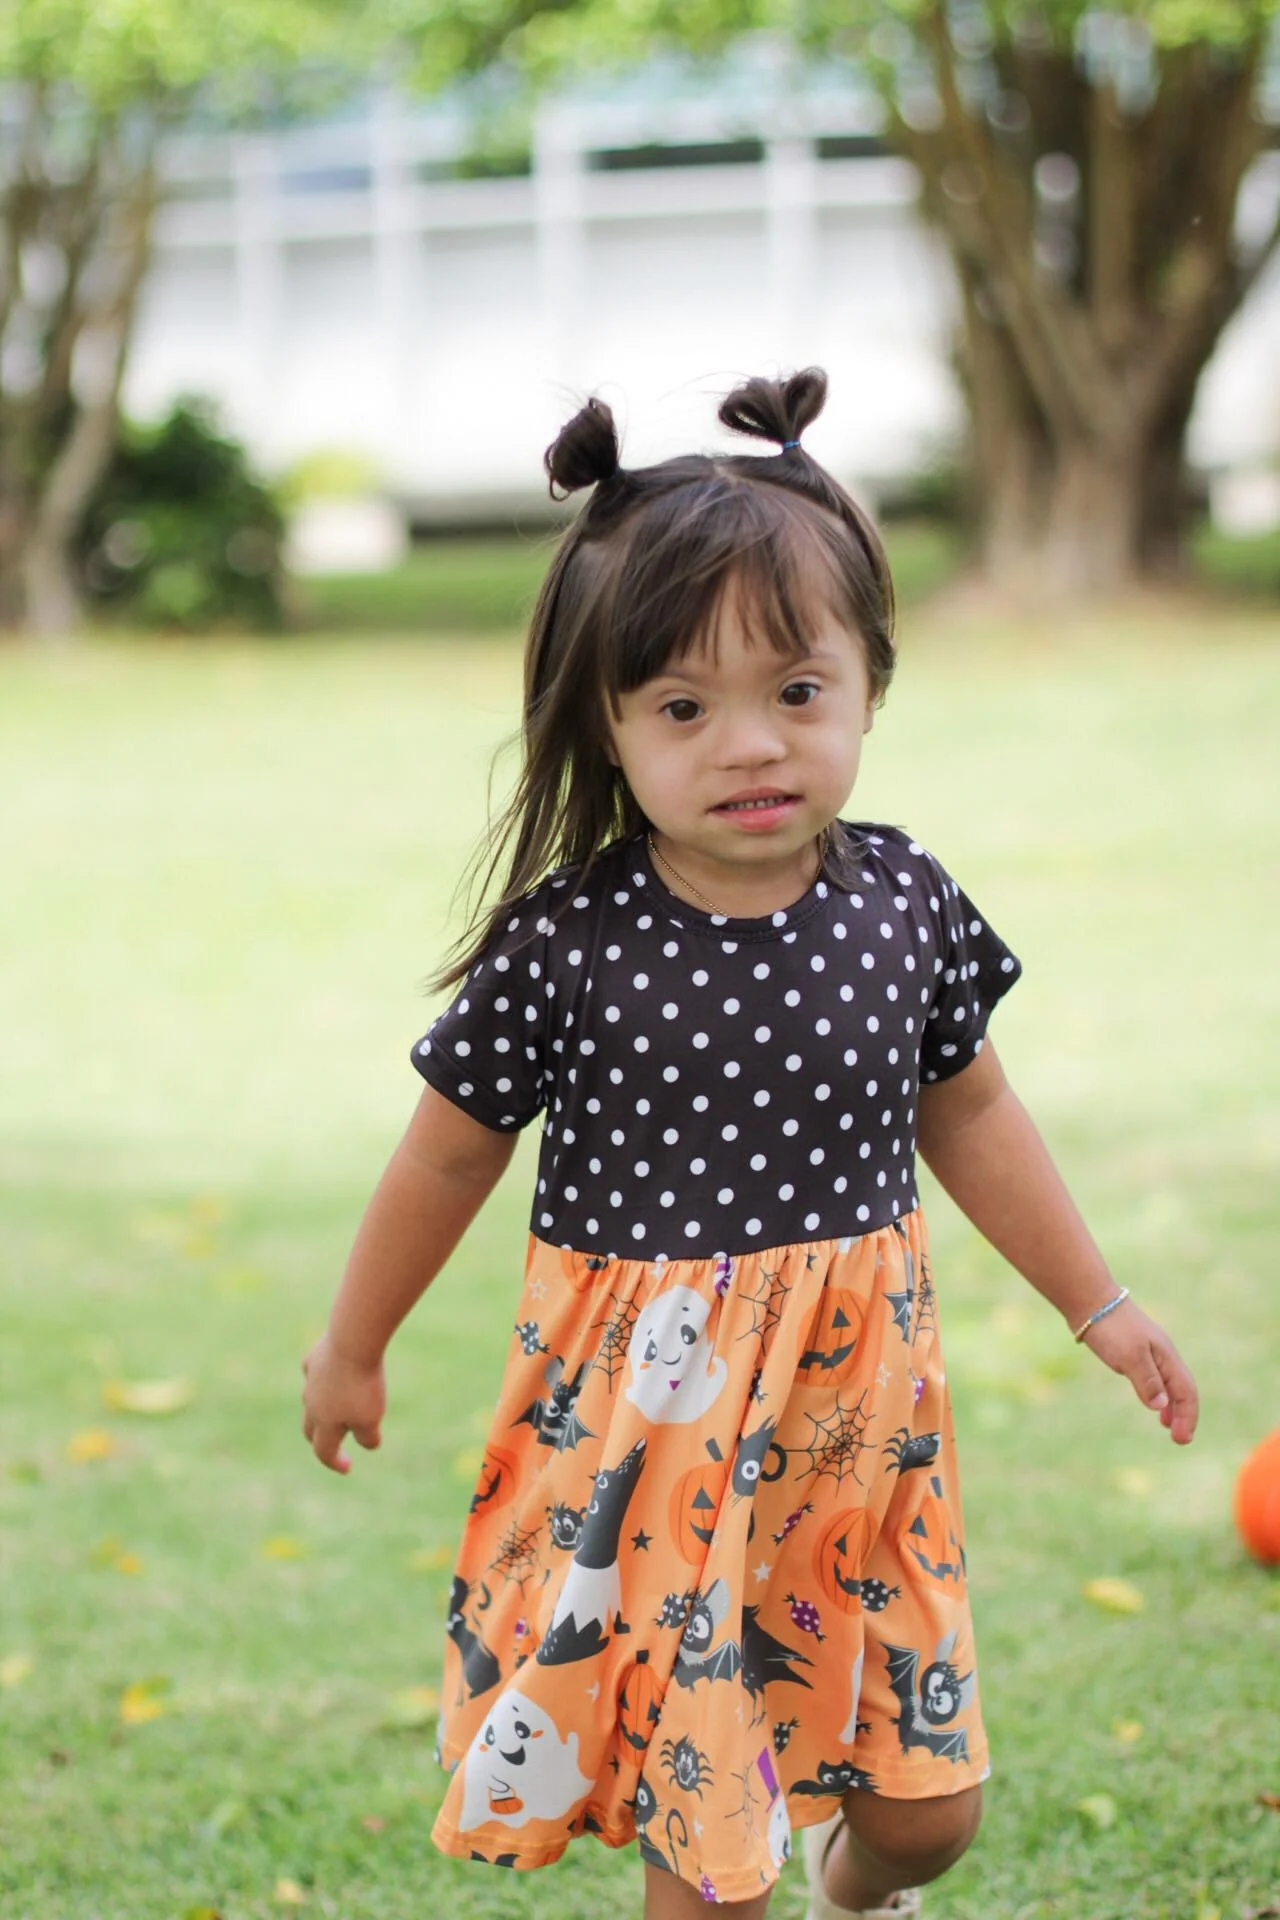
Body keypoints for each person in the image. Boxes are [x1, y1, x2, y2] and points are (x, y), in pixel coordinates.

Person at [301, 368, 1199, 1920]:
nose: (749, 746)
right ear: (611, 721)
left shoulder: (901, 904)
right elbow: (445, 1157)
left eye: (797, 691)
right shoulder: (568, 947)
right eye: (683, 708)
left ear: (868, 684)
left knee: (933, 1809)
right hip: (657, 1448)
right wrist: (353, 1343)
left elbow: (970, 1111)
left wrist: (1099, 1304)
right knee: (712, 1866)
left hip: (864, 1436)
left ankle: (870, 1893)